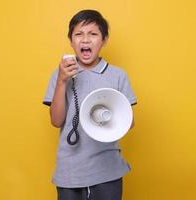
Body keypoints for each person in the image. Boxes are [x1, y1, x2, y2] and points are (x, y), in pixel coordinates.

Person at [43, 9, 137, 200]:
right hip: (70, 172)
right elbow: (56, 120)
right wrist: (62, 81)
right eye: (79, 34)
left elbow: (130, 122)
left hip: (107, 171)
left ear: (104, 39)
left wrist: (116, 115)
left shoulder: (117, 75)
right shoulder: (61, 73)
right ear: (71, 41)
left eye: (93, 34)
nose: (85, 40)